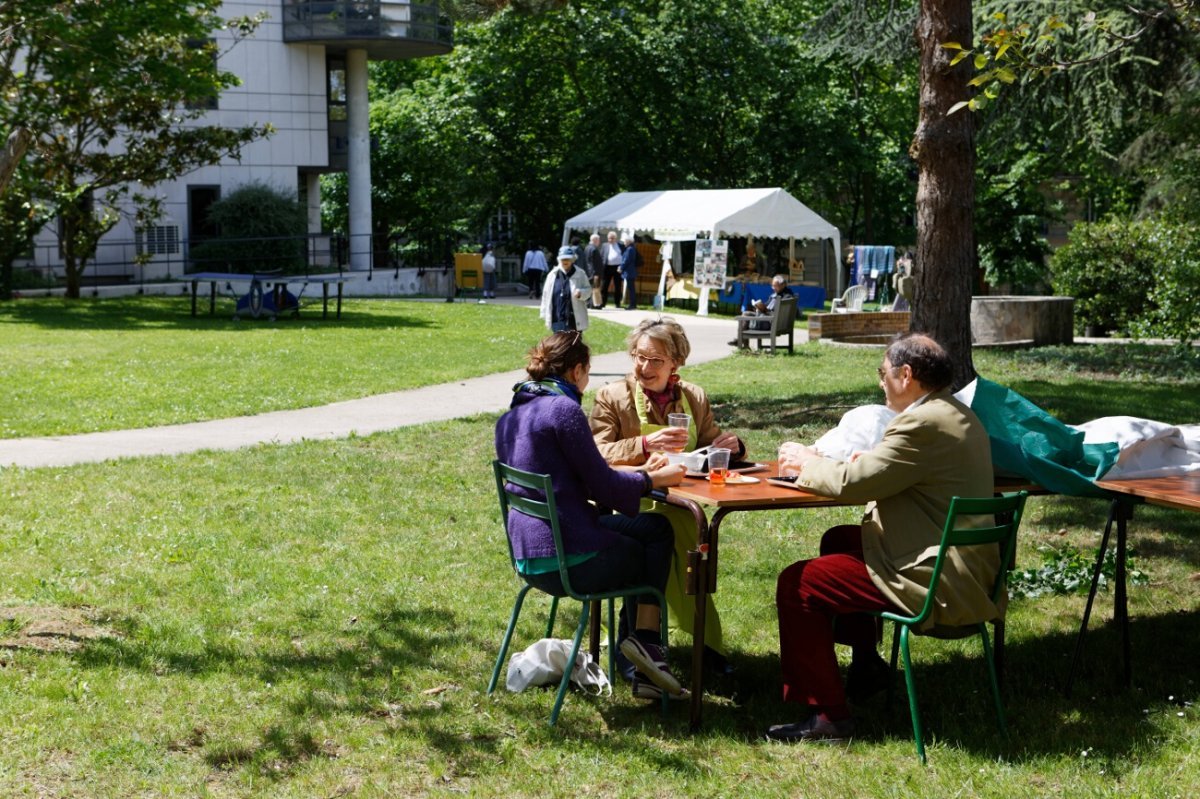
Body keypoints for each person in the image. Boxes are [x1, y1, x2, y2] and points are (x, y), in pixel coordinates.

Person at [767, 333, 998, 743]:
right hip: (965, 566)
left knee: (799, 583)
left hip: (935, 579)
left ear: (905, 375)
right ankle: (867, 664)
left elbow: (855, 484)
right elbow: (896, 470)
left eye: (883, 373)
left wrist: (805, 463)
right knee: (842, 539)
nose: (880, 383)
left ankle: (828, 717)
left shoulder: (920, 423)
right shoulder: (956, 413)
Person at [495, 331, 688, 699]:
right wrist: (652, 479)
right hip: (570, 559)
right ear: (578, 370)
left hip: (527, 556)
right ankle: (645, 648)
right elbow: (604, 489)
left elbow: (577, 482)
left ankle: (641, 650)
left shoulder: (511, 417)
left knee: (652, 528)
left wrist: (638, 477)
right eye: (587, 373)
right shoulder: (564, 410)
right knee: (652, 542)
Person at [589, 316, 744, 677]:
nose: (644, 367)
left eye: (655, 360)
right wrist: (643, 444)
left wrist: (730, 447)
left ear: (676, 362)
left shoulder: (693, 396)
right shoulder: (614, 396)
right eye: (638, 357)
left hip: (684, 501)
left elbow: (709, 445)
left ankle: (690, 643)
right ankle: (643, 644)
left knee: (692, 535)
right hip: (630, 499)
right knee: (670, 534)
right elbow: (597, 455)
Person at [730, 273, 794, 347]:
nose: (773, 288)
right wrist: (759, 307)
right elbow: (767, 306)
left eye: (775, 286)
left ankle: (741, 342)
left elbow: (776, 312)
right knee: (746, 313)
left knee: (744, 318)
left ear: (783, 285)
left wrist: (766, 311)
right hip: (770, 319)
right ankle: (742, 343)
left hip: (771, 323)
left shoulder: (786, 296)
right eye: (772, 285)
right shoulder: (779, 294)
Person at [540, 246, 590, 332]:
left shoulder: (580, 274)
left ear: (573, 260)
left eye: (568, 259)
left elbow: (588, 290)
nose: (565, 261)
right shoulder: (552, 275)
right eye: (563, 259)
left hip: (574, 319)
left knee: (574, 344)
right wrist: (544, 313)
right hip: (557, 318)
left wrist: (581, 293)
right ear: (559, 260)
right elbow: (546, 295)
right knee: (559, 344)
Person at [599, 231, 624, 309]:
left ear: (615, 238)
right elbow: (601, 255)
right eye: (609, 238)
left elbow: (624, 255)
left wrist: (622, 266)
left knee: (618, 286)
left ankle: (617, 303)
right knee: (604, 286)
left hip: (617, 268)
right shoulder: (604, 245)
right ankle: (603, 303)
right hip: (607, 267)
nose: (611, 240)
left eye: (612, 238)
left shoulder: (620, 245)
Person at [619, 234, 641, 310]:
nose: (624, 243)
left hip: (629, 272)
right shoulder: (631, 248)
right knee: (631, 288)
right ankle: (632, 304)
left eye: (625, 241)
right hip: (630, 271)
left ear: (628, 241)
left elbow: (626, 260)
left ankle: (632, 304)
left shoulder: (630, 249)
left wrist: (621, 268)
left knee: (631, 289)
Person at [584, 233, 604, 308]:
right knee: (596, 288)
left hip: (588, 272)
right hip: (594, 272)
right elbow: (596, 263)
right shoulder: (594, 249)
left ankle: (589, 304)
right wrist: (596, 273)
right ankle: (595, 304)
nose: (599, 242)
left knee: (590, 288)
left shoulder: (587, 248)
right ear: (595, 240)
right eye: (598, 240)